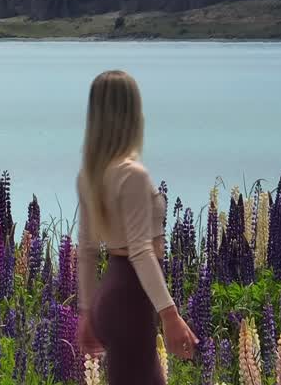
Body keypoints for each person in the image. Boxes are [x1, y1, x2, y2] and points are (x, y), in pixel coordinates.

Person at [75, 70, 197, 384]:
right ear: (132, 116)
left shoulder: (90, 175)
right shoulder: (133, 175)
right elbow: (141, 251)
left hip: (109, 296)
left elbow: (87, 251)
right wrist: (170, 314)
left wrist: (88, 311)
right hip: (131, 298)